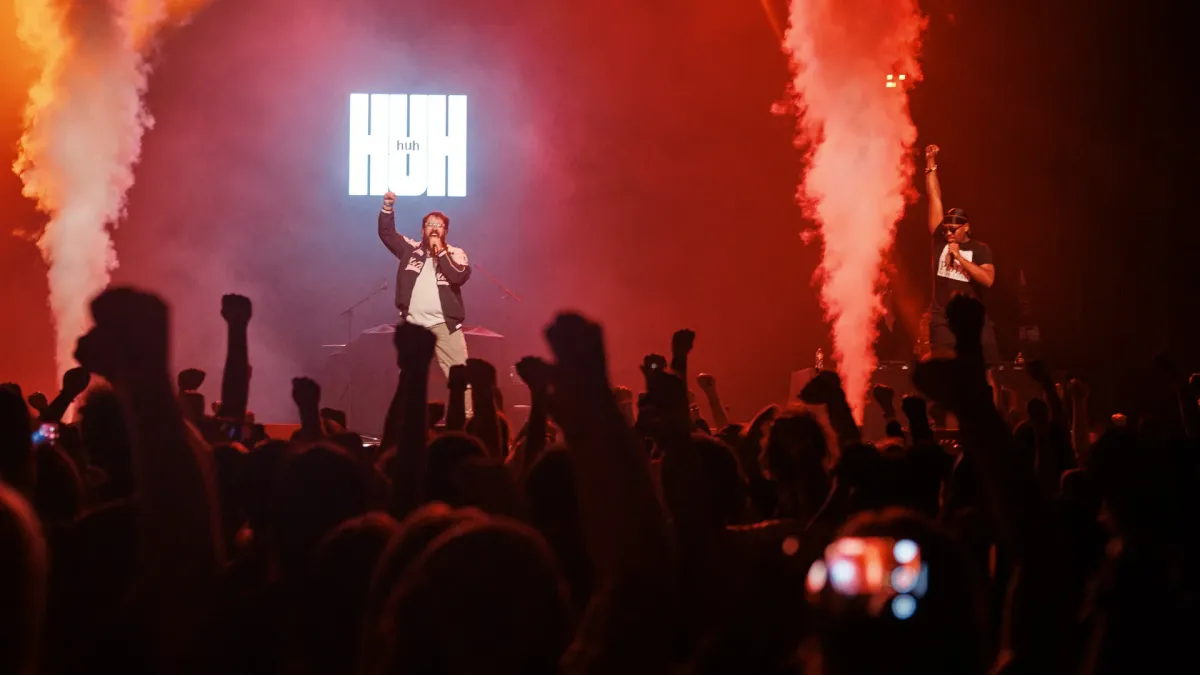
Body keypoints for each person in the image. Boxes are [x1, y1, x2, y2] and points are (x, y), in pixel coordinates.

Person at [377, 191, 473, 379]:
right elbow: (387, 234)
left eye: (439, 225)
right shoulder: (410, 249)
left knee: (461, 378)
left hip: (446, 326)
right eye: (430, 224)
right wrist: (387, 206)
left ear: (446, 231)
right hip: (414, 326)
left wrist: (441, 252)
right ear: (422, 231)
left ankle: (462, 401)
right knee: (410, 380)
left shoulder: (455, 253)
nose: (434, 228)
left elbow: (458, 277)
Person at [923, 144, 999, 364]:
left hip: (973, 322)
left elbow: (988, 280)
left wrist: (960, 258)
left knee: (983, 370)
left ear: (966, 227)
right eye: (946, 229)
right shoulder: (940, 241)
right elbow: (934, 197)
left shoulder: (980, 249)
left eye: (953, 229)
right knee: (944, 369)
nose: (948, 233)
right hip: (943, 320)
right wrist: (930, 162)